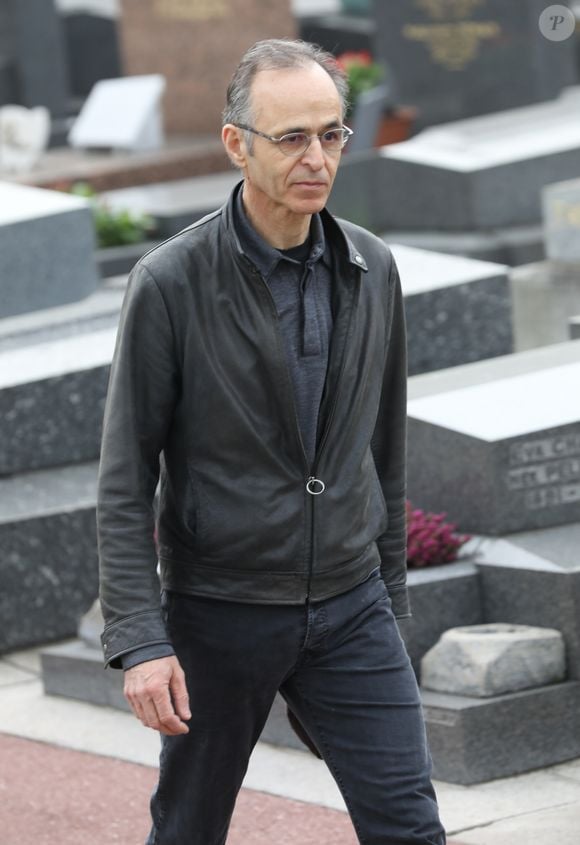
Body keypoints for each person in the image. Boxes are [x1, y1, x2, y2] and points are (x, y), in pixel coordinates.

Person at [97, 37, 446, 845]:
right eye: (292, 137)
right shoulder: (170, 283)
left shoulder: (374, 265)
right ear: (236, 145)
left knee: (408, 823)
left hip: (352, 606)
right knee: (189, 829)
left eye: (332, 134)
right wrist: (141, 639)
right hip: (221, 611)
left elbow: (383, 451)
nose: (316, 157)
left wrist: (390, 603)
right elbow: (124, 477)